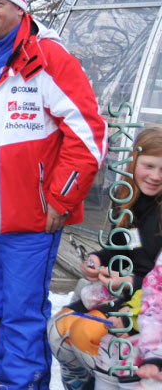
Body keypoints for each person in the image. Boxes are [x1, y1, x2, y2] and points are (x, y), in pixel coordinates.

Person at [0, 0, 107, 390]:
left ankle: (21, 383)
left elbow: (90, 134)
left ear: (20, 7)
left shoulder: (48, 56)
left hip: (31, 213)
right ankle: (2, 379)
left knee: (22, 311)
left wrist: (62, 198)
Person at [50, 126, 162, 386]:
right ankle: (82, 381)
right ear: (133, 161)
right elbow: (123, 246)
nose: (155, 176)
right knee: (57, 328)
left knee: (85, 333)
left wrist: (129, 281)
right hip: (121, 290)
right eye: (149, 166)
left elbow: (155, 278)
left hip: (145, 302)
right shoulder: (127, 199)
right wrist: (98, 259)